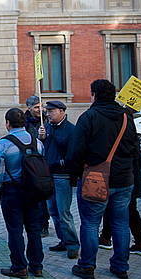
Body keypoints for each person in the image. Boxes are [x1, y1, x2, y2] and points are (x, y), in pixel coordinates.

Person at [66, 79, 137, 279]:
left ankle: (87, 266)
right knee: (121, 223)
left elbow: (75, 150)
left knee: (90, 223)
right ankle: (120, 266)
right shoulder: (126, 117)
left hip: (95, 178)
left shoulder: (89, 116)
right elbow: (133, 147)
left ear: (94, 94)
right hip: (123, 179)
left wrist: (76, 172)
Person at [0, 108, 45, 279]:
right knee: (34, 229)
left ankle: (19, 266)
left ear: (7, 123)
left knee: (15, 230)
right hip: (35, 190)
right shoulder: (37, 142)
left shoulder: (3, 144)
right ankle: (37, 266)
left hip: (12, 191)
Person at [39, 100, 79, 259]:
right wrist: (42, 138)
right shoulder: (47, 127)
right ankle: (63, 240)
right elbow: (43, 148)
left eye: (52, 111)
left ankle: (73, 244)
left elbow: (73, 152)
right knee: (53, 210)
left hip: (62, 175)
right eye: (47, 111)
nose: (48, 114)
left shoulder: (70, 129)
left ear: (62, 111)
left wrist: (62, 163)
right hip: (48, 174)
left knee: (63, 212)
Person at [99, 133, 141, 257]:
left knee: (127, 211)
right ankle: (106, 237)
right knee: (124, 210)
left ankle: (140, 244)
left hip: (126, 179)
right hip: (130, 178)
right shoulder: (130, 135)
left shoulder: (122, 136)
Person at [25, 95, 50, 237]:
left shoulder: (47, 119)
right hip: (31, 162)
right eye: (36, 107)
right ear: (29, 108)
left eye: (41, 106)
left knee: (42, 196)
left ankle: (44, 224)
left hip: (44, 162)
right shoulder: (25, 121)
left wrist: (44, 135)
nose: (39, 109)